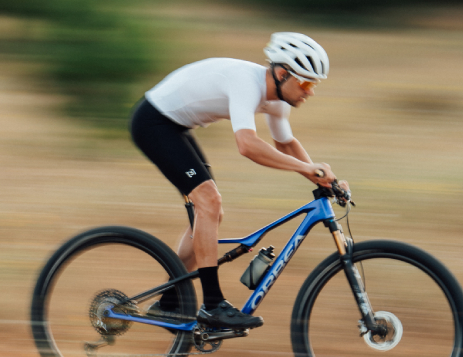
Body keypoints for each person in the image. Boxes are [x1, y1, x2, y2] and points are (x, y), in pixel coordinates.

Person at [129, 32, 342, 330]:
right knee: (209, 202)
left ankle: (168, 302)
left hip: (175, 126)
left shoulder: (277, 100)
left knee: (210, 213)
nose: (310, 92)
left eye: (314, 85)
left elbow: (285, 143)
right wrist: (308, 169)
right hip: (153, 122)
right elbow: (248, 146)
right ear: (282, 74)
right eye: (306, 83)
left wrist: (323, 178)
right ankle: (212, 305)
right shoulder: (247, 83)